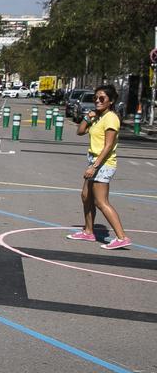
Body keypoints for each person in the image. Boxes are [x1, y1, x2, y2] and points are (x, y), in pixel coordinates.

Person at [67, 85, 131, 250]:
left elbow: (108, 146)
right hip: (94, 161)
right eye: (96, 98)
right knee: (85, 196)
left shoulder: (111, 118)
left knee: (101, 202)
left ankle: (121, 237)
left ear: (111, 101)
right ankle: (88, 232)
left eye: (102, 98)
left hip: (103, 163)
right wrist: (88, 117)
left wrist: (94, 167)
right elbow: (80, 131)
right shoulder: (98, 117)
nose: (97, 101)